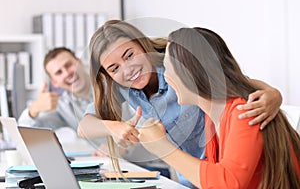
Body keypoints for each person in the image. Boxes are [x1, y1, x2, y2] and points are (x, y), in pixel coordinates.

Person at [77, 20, 282, 188]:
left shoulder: (174, 59)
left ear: (142, 45)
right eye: (114, 68)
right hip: (192, 177)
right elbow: (84, 127)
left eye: (130, 55)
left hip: (221, 170)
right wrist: (115, 127)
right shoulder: (121, 86)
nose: (128, 69)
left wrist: (274, 94)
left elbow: (232, 81)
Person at [138, 27, 300, 188]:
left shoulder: (244, 111)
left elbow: (228, 183)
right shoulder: (213, 116)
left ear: (190, 72)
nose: (165, 76)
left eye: (167, 68)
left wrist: (162, 147)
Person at [18, 47, 92, 132]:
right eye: (59, 72)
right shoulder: (63, 108)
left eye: (68, 65)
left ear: (80, 62)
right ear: (55, 82)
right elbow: (25, 131)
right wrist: (34, 109)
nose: (67, 73)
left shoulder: (108, 78)